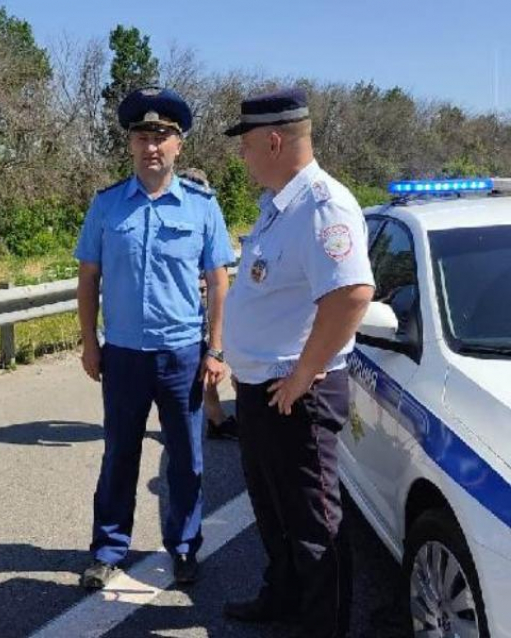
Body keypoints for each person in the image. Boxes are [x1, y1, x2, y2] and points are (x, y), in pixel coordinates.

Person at [219, 88, 374, 638]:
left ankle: (323, 627)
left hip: (297, 394)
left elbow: (352, 294)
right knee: (273, 510)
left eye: (247, 146)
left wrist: (303, 375)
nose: (243, 157)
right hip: (263, 388)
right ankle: (282, 596)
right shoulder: (279, 204)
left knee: (315, 525)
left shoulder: (323, 205)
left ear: (275, 140)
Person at [76, 87, 234, 589]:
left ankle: (184, 547)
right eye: (143, 136)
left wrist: (215, 347)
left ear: (178, 146)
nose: (152, 146)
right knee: (119, 454)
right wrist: (89, 342)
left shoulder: (203, 207)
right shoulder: (106, 206)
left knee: (186, 457)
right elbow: (88, 278)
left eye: (162, 137)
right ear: (130, 144)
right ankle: (107, 549)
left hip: (182, 353)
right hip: (122, 353)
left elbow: (219, 280)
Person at [177, 167, 239, 442]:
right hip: (187, 312)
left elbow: (218, 272)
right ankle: (213, 419)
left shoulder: (203, 211)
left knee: (206, 360)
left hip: (200, 305)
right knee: (202, 364)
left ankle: (213, 418)